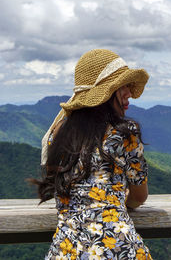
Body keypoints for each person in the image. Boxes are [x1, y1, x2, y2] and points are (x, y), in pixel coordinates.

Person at [31, 49, 152, 259]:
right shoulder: (126, 133)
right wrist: (116, 203)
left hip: (67, 251)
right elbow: (139, 196)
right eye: (121, 86)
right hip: (117, 249)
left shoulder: (57, 134)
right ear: (105, 92)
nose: (129, 93)